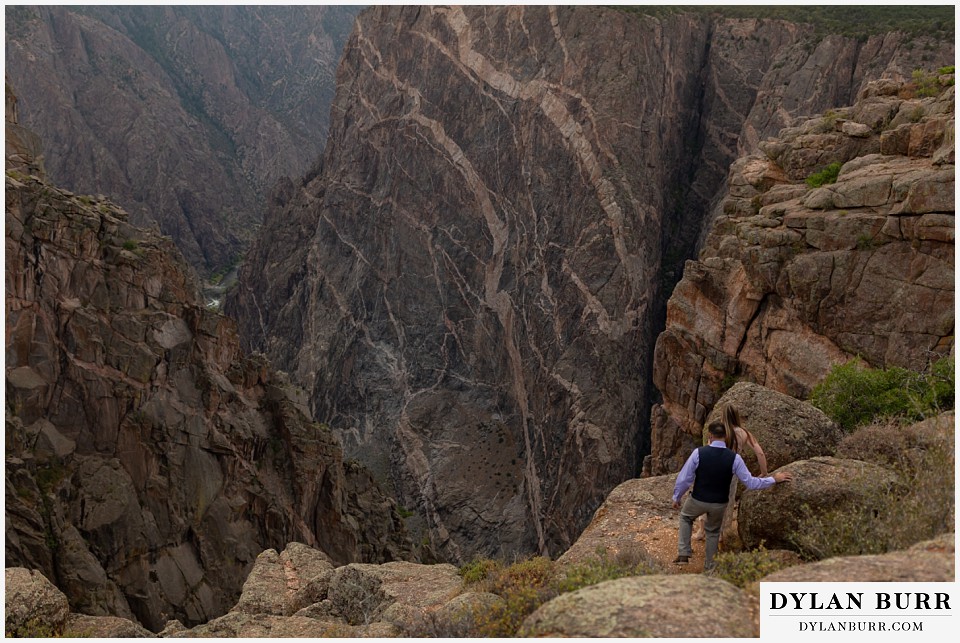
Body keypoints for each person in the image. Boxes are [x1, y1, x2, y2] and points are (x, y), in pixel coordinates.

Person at [672, 420, 792, 570]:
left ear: (710, 435)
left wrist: (676, 498)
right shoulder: (735, 458)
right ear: (726, 437)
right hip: (719, 503)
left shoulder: (699, 453)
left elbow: (685, 479)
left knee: (685, 517)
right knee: (713, 532)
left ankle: (683, 553)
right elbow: (751, 483)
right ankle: (710, 568)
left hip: (698, 499)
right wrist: (774, 479)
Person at [693, 404, 768, 541]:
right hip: (730, 472)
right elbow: (759, 452)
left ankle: (701, 531)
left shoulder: (718, 431)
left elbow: (708, 450)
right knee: (726, 502)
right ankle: (720, 533)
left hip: (712, 469)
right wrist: (764, 472)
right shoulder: (744, 433)